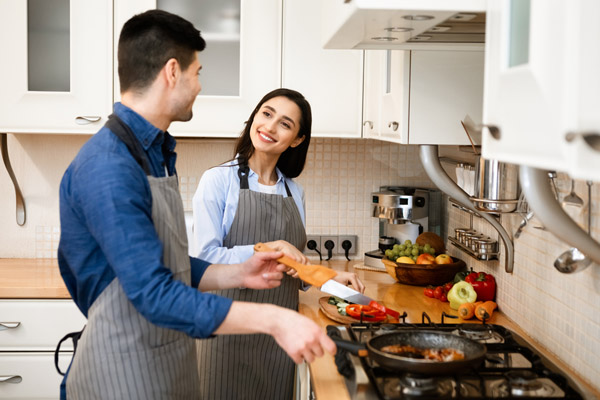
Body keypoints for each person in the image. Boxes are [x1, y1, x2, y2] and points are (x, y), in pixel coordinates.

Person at [56, 10, 335, 400]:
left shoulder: (154, 154)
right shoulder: (109, 166)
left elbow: (173, 264)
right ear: (173, 72)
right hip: (119, 373)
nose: (200, 85)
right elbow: (153, 293)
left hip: (166, 361)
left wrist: (239, 274)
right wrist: (274, 319)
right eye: (198, 72)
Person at [191, 88, 364, 400]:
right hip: (228, 331)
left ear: (297, 139)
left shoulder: (294, 192)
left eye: (285, 124)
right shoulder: (218, 180)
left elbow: (292, 267)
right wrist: (271, 247)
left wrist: (331, 279)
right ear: (254, 117)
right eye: (266, 114)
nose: (269, 127)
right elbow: (205, 259)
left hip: (282, 336)